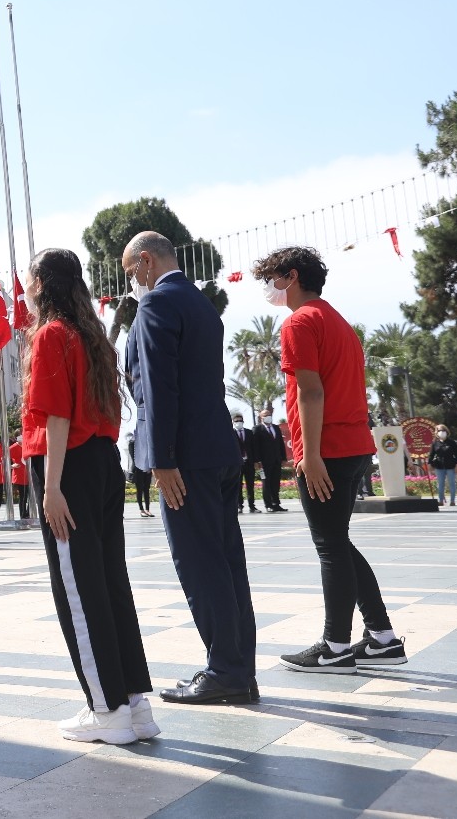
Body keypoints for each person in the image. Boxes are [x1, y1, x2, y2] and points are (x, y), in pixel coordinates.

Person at [253, 246, 407, 672]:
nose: (268, 287)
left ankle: (335, 646)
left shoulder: (299, 322)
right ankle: (382, 637)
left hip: (329, 450)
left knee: (330, 546)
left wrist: (311, 454)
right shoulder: (336, 320)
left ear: (292, 276)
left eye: (271, 277)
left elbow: (311, 391)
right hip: (353, 444)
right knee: (337, 542)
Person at [25, 248, 156, 744]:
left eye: (31, 279)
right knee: (109, 582)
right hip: (102, 461)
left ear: (42, 283)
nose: (28, 287)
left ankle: (107, 710)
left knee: (77, 590)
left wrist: (52, 486)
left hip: (69, 465)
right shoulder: (92, 334)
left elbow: (57, 417)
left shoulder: (52, 335)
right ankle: (134, 703)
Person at [124, 232, 259, 705]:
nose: (130, 281)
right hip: (218, 450)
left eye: (130, 271)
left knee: (200, 564)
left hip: (184, 459)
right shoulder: (201, 302)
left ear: (144, 261)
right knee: (226, 563)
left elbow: (160, 387)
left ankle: (225, 670)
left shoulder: (156, 305)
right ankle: (240, 668)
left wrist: (161, 459)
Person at [255, 408, 291, 513]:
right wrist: (257, 461)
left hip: (276, 460)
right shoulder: (257, 429)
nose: (268, 416)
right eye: (265, 415)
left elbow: (280, 444)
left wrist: (283, 458)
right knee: (266, 483)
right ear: (261, 417)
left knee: (275, 482)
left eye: (269, 414)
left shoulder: (276, 428)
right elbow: (256, 447)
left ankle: (276, 504)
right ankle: (268, 505)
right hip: (264, 462)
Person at [234, 413, 261, 514]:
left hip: (249, 463)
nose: (238, 423)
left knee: (250, 486)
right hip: (237, 464)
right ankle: (239, 505)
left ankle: (252, 506)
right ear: (233, 422)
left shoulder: (249, 432)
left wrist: (256, 461)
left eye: (240, 421)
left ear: (243, 421)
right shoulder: (231, 433)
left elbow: (255, 448)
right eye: (236, 421)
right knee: (237, 486)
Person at [428, 425, 457, 507]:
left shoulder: (452, 442)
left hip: (451, 466)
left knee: (452, 483)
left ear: (446, 431)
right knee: (440, 484)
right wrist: (429, 464)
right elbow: (431, 455)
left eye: (443, 430)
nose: (441, 432)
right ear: (436, 432)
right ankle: (440, 500)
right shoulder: (435, 442)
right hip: (439, 466)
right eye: (439, 430)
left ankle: (452, 501)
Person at [129, 433, 153, 517]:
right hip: (138, 469)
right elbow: (133, 456)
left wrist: (150, 467)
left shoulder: (147, 441)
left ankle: (147, 509)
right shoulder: (133, 442)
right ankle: (141, 509)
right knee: (139, 489)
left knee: (146, 489)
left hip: (147, 468)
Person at [9, 435, 31, 521]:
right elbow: (3, 459)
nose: (22, 436)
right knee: (23, 497)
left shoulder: (28, 445)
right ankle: (23, 515)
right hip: (19, 476)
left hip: (29, 476)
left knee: (31, 497)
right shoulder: (13, 447)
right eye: (20, 435)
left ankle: (28, 514)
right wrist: (11, 465)